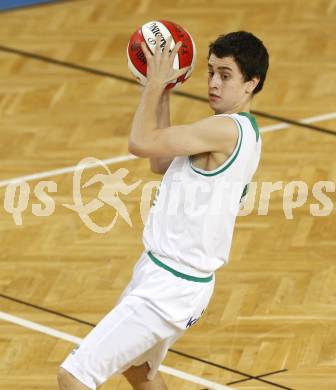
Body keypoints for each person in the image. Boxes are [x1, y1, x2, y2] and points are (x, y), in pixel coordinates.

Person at [58, 30, 269, 390]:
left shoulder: (224, 131)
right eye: (211, 71)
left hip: (169, 287)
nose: (214, 83)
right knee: (139, 370)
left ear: (252, 83)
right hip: (172, 279)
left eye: (226, 75)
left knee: (74, 376)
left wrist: (153, 83)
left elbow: (140, 142)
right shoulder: (245, 132)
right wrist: (167, 90)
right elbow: (159, 161)